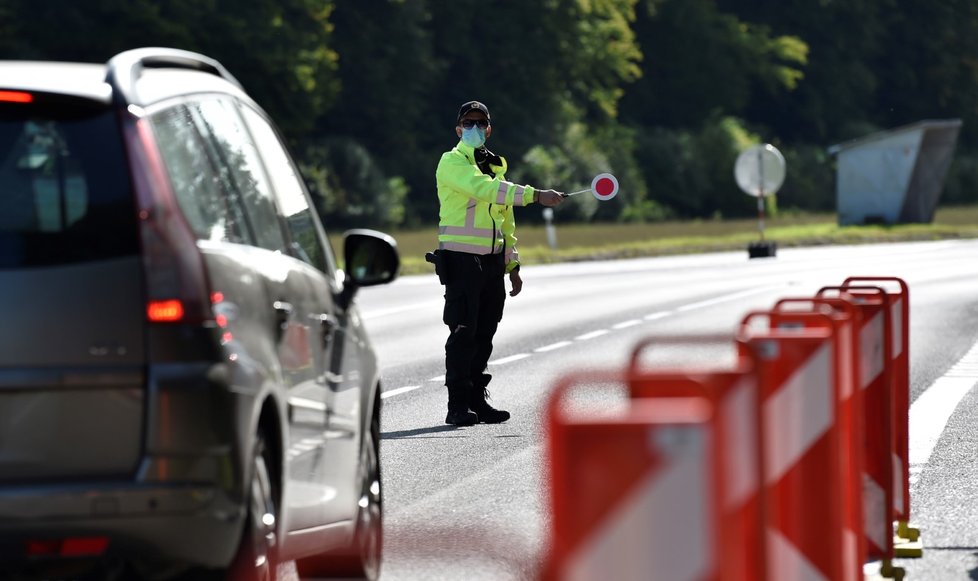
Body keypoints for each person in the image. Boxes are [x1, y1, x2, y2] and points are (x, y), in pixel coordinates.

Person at [435, 100, 566, 426]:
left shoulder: (494, 166)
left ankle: (478, 401)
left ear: (489, 129)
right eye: (469, 123)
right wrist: (536, 195)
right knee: (464, 333)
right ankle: (458, 405)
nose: (475, 128)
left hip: (492, 263)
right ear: (458, 128)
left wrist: (513, 266)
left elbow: (504, 223)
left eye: (481, 123)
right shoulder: (451, 163)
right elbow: (487, 191)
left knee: (485, 333)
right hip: (463, 261)